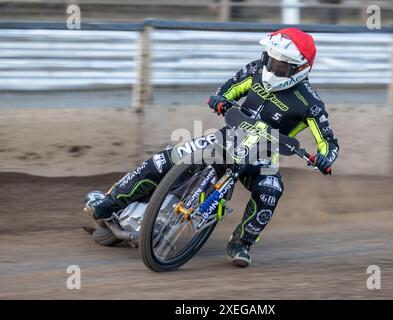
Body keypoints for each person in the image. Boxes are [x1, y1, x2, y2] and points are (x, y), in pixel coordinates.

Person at [85, 28, 339, 268]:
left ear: (299, 69)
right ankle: (110, 202)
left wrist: (325, 158)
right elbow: (227, 89)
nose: (272, 67)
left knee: (271, 191)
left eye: (281, 65)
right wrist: (220, 99)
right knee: (166, 159)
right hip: (225, 139)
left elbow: (329, 142)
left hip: (262, 156)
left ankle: (242, 242)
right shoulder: (255, 70)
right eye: (270, 59)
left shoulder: (310, 104)